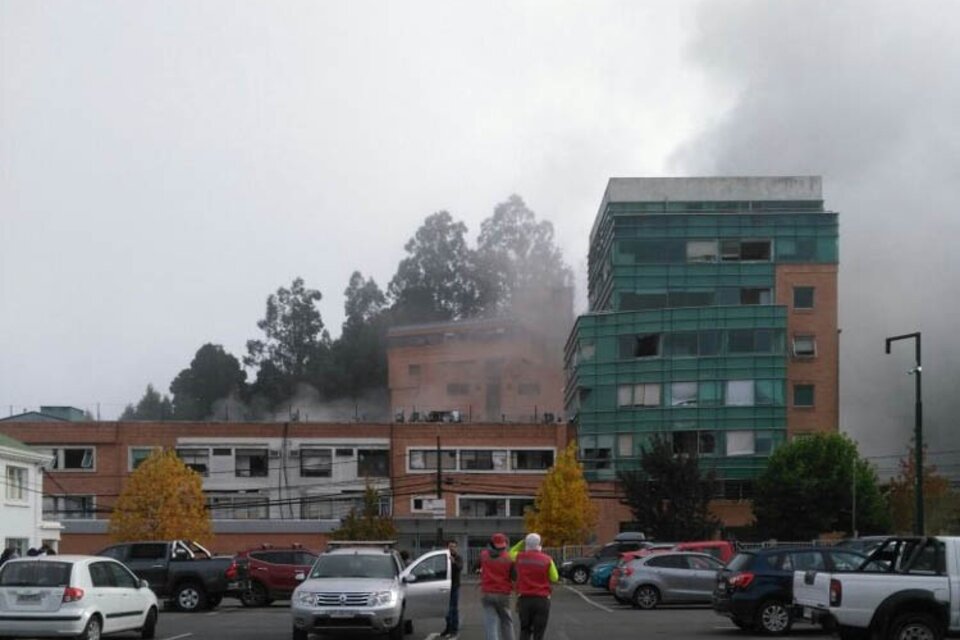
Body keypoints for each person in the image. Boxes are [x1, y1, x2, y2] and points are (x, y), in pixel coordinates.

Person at [510, 533, 558, 640]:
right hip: (542, 599)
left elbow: (510, 553)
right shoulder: (547, 559)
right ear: (539, 544)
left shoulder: (519, 556)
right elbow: (555, 577)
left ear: (526, 544)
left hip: (524, 599)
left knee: (525, 629)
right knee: (539, 631)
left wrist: (521, 543)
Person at [479, 533, 516, 640]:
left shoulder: (483, 555)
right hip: (503, 594)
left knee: (490, 624)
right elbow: (514, 576)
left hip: (487, 593)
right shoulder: (509, 557)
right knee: (507, 623)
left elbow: (475, 567)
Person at [440, 540, 463, 638]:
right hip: (445, 585)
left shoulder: (458, 557)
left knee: (453, 608)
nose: (452, 548)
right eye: (450, 547)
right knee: (446, 608)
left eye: (453, 547)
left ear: (456, 548)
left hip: (454, 585)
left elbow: (460, 567)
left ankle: (454, 629)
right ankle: (448, 627)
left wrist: (453, 562)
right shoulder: (445, 557)